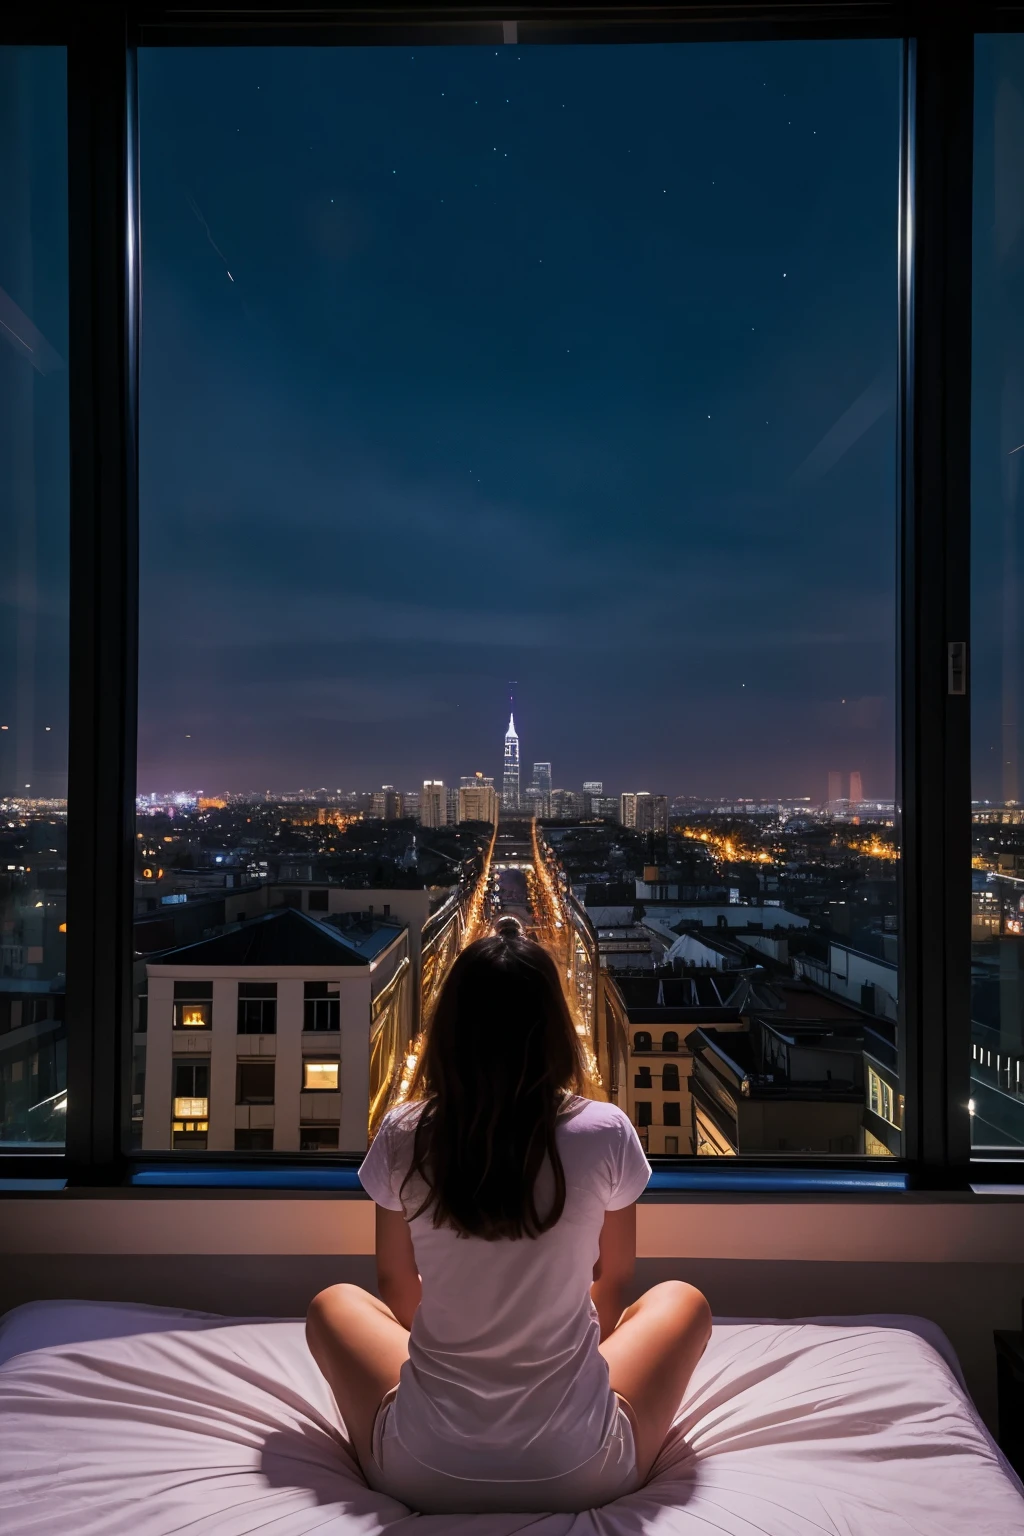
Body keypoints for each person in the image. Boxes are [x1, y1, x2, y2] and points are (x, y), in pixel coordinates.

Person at [306, 917, 711, 1515]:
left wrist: (468, 1344)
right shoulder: (604, 1131)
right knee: (682, 1299)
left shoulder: (404, 1134)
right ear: (552, 1032)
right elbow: (616, 1278)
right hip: (581, 1467)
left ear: (450, 1032)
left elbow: (394, 1284)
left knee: (333, 1303)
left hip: (422, 1467)